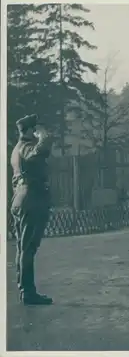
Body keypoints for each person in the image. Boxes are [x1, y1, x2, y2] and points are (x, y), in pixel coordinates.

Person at [11, 114, 53, 305]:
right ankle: (27, 292)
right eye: (35, 129)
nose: (37, 132)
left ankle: (24, 289)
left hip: (21, 198)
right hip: (31, 200)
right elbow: (40, 151)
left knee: (22, 248)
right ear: (29, 130)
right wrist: (45, 135)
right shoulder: (27, 147)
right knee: (28, 248)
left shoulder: (16, 149)